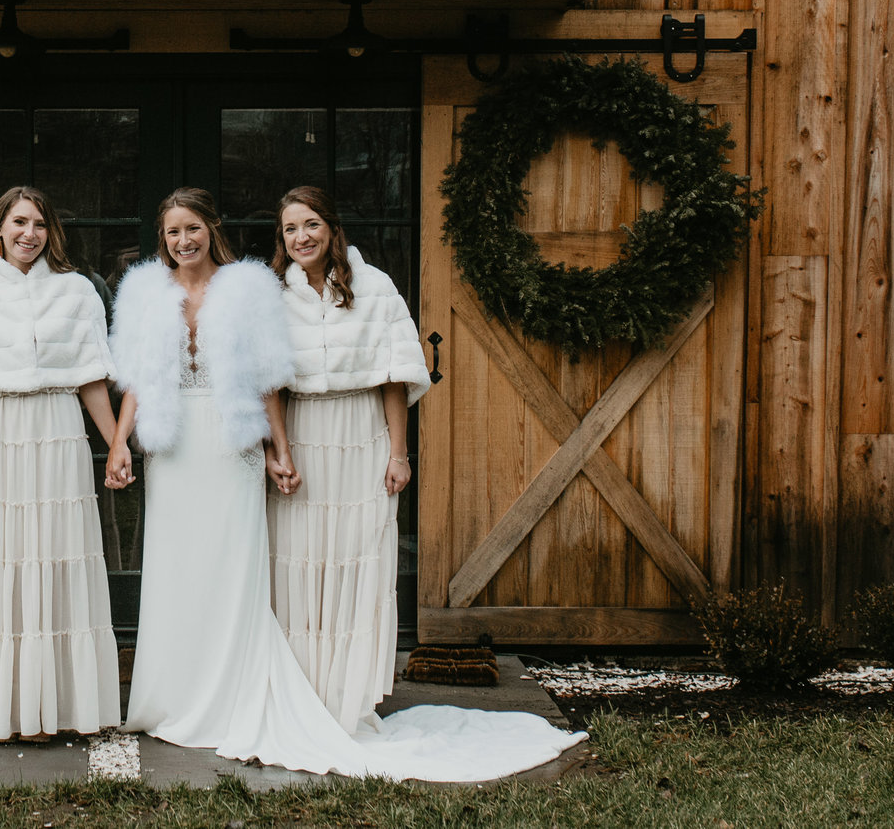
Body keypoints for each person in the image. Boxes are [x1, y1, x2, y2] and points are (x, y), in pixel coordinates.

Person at [105, 186, 585, 783]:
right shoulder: (191, 293)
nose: (184, 240)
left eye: (193, 228)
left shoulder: (272, 289)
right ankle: (176, 694)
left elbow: (271, 379)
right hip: (181, 448)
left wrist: (303, 449)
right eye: (173, 231)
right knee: (194, 570)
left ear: (213, 228)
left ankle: (304, 694)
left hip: (266, 444)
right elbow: (141, 377)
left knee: (255, 571)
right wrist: (121, 441)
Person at [0, 186, 120, 742]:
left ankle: (50, 704)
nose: (28, 234)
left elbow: (90, 375)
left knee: (54, 554)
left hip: (57, 433)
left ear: (51, 231)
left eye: (38, 223)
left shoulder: (77, 290)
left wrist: (116, 442)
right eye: (18, 222)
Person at [266, 185, 431, 732]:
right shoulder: (275, 296)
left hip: (363, 435)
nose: (301, 237)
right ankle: (302, 693)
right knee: (302, 561)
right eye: (290, 228)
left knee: (357, 559)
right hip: (304, 435)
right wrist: (279, 451)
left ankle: (350, 695)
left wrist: (399, 454)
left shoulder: (375, 287)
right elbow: (268, 385)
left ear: (332, 228)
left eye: (310, 224)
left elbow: (396, 374)